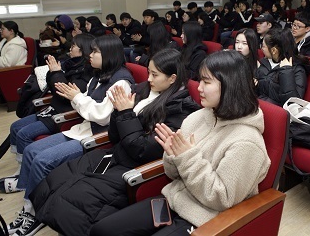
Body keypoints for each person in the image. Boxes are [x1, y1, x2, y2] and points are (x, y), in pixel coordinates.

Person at [89, 50, 270, 236]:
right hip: (173, 200)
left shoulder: (247, 142)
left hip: (204, 218)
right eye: (200, 80)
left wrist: (187, 157)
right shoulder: (198, 117)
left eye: (207, 82)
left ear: (231, 86)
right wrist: (172, 154)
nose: (199, 88)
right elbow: (172, 174)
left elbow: (221, 198)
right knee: (102, 230)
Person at [29, 49, 201, 236]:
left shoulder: (181, 110)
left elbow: (143, 151)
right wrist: (118, 112)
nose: (148, 78)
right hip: (114, 155)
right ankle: (37, 217)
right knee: (58, 178)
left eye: (154, 74)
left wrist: (126, 114)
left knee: (76, 199)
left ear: (172, 78)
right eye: (148, 72)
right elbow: (114, 136)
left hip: (134, 166)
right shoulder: (143, 90)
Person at [2, 35, 135, 236]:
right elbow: (84, 106)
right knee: (30, 150)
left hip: (94, 136)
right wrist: (75, 97)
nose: (90, 55)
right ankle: (31, 202)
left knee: (41, 161)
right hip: (82, 128)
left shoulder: (121, 82)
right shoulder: (99, 75)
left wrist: (77, 97)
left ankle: (33, 214)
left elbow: (102, 116)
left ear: (108, 54)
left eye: (95, 51)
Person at [5, 34, 95, 177]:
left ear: (83, 50)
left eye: (73, 46)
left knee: (23, 134)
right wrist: (53, 72)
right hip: (52, 109)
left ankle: (24, 172)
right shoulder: (71, 63)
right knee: (15, 127)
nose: (70, 49)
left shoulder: (88, 72)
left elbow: (63, 92)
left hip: (64, 113)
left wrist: (56, 72)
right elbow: (51, 85)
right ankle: (22, 165)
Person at [256, 28, 310, 106]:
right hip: (259, 106)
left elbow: (293, 103)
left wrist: (286, 72)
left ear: (274, 50)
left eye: (264, 46)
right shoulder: (265, 63)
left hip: (276, 112)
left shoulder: (297, 70)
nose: (261, 48)